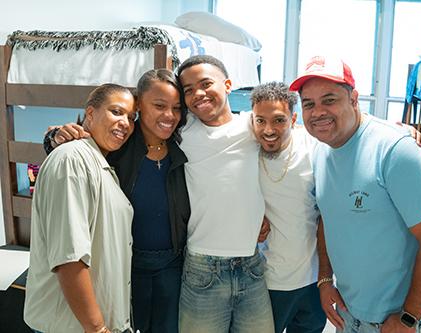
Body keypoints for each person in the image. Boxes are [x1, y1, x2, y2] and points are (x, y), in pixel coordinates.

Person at [289, 55, 421, 333]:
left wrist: (408, 317)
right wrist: (325, 279)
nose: (318, 112)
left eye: (329, 100)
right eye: (309, 104)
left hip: (397, 316)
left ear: (354, 99)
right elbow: (327, 220)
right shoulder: (320, 150)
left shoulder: (396, 151)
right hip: (349, 308)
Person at [42, 69, 191, 333]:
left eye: (176, 108)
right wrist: (53, 137)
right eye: (158, 106)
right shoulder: (117, 144)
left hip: (172, 266)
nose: (169, 115)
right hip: (128, 266)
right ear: (140, 107)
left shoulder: (184, 146)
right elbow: (78, 143)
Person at [24, 84, 136, 333]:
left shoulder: (100, 162)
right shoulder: (72, 161)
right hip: (72, 326)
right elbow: (69, 258)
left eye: (131, 117)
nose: (125, 122)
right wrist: (97, 328)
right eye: (116, 111)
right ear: (90, 113)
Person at [176, 55, 274, 333]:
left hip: (252, 263)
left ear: (228, 85)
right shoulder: (182, 132)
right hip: (202, 268)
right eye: (188, 90)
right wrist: (64, 133)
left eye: (206, 83)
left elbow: (297, 132)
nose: (198, 93)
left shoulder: (254, 126)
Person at [251, 81, 326, 333]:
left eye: (279, 120)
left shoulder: (313, 146)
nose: (268, 129)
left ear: (294, 119)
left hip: (312, 279)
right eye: (260, 121)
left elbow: (349, 125)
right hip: (267, 281)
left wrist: (398, 128)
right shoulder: (245, 146)